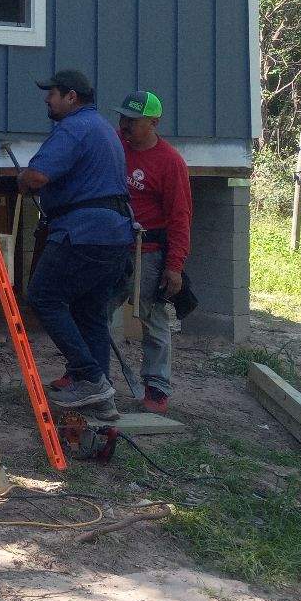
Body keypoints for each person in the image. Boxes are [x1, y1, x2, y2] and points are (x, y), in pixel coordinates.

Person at [19, 69, 135, 414]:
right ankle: (102, 400)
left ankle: (89, 378)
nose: (47, 99)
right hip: (115, 235)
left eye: (52, 93)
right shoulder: (103, 129)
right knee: (90, 313)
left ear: (72, 97)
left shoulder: (73, 128)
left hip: (83, 233)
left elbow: (38, 175)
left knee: (43, 296)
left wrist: (22, 180)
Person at [115, 90, 191, 415]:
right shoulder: (116, 145)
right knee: (96, 308)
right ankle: (88, 375)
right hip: (114, 246)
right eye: (123, 118)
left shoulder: (170, 162)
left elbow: (180, 217)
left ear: (153, 123)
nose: (125, 125)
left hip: (151, 252)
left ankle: (157, 389)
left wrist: (174, 266)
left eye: (133, 121)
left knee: (153, 318)